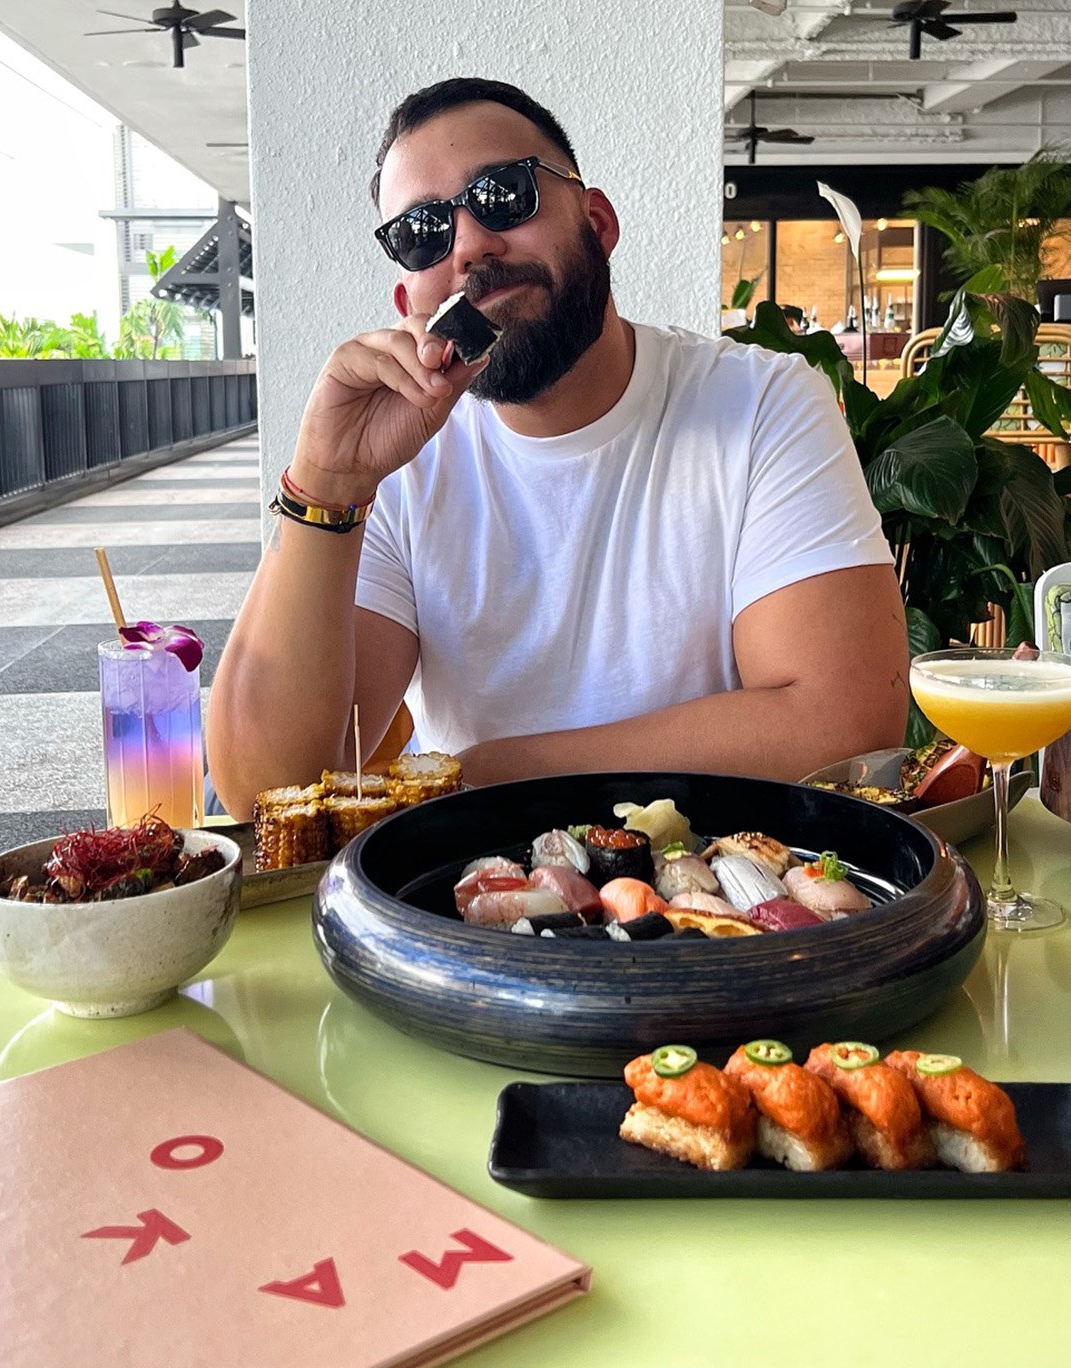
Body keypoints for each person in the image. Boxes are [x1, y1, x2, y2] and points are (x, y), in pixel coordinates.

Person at [207, 79, 908, 820]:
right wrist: (327, 484)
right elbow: (265, 783)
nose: (471, 244)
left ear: (597, 222)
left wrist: (496, 770)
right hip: (466, 909)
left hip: (723, 901)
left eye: (504, 195)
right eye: (423, 233)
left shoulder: (761, 402)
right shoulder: (395, 465)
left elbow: (844, 727)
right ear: (409, 301)